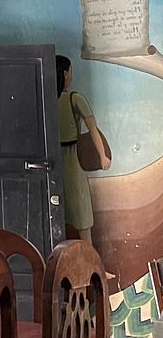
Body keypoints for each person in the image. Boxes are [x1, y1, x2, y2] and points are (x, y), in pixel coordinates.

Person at [57, 55, 110, 241]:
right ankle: (87, 254)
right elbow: (93, 130)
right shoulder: (75, 98)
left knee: (63, 211)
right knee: (82, 214)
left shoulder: (45, 99)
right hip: (73, 160)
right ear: (65, 74)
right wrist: (103, 156)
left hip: (55, 160)